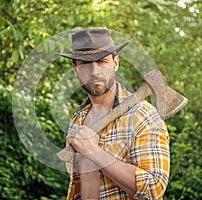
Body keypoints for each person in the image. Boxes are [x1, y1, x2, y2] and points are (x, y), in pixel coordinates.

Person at [58, 27, 170, 200]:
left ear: (115, 63)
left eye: (102, 61)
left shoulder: (143, 115)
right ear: (75, 68)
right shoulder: (78, 121)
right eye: (85, 64)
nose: (94, 71)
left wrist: (94, 152)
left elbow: (153, 189)